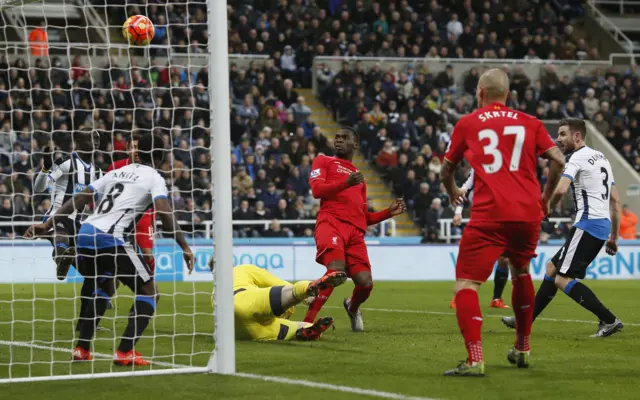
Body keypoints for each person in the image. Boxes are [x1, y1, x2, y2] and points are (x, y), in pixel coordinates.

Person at [25, 134, 194, 366]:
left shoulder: (114, 173)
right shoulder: (154, 177)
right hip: (109, 237)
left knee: (105, 285)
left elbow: (81, 197)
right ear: (160, 156)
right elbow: (164, 214)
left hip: (85, 232)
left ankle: (82, 349)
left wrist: (47, 224)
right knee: (149, 291)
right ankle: (125, 352)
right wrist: (185, 246)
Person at [440, 69, 565, 377]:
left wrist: (454, 190)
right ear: (507, 95)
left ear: (480, 93)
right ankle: (522, 349)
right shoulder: (531, 123)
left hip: (490, 214)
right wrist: (547, 198)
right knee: (521, 271)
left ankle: (475, 358)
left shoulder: (468, 123)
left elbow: (446, 169)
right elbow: (559, 159)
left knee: (467, 282)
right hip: (527, 213)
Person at [502, 118, 623, 338]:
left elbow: (560, 189)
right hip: (600, 224)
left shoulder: (577, 157)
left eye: (563, 134)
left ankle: (609, 319)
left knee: (561, 278)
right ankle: (525, 321)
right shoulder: (602, 158)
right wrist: (613, 236)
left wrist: (546, 205)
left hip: (587, 224)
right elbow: (615, 200)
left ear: (577, 136)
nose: (558, 139)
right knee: (551, 269)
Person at [303, 126, 406, 331]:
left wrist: (387, 212)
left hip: (355, 234)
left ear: (355, 145)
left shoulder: (359, 178)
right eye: (337, 137)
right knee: (336, 270)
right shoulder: (324, 161)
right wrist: (345, 182)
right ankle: (305, 323)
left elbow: (363, 217)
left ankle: (351, 306)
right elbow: (317, 190)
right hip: (331, 223)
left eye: (344, 138)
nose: (338, 140)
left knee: (365, 283)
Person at [210, 263, 347, 341]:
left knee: (293, 327)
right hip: (244, 300)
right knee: (292, 292)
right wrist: (304, 297)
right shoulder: (240, 269)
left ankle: (307, 330)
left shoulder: (214, 293)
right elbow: (276, 282)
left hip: (246, 333)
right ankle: (309, 287)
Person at [450, 169, 510, 310]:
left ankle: (496, 299)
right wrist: (458, 212)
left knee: (505, 260)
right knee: (473, 261)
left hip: (502, 222)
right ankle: (458, 297)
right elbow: (464, 189)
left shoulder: (508, 168)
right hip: (482, 223)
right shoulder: (479, 168)